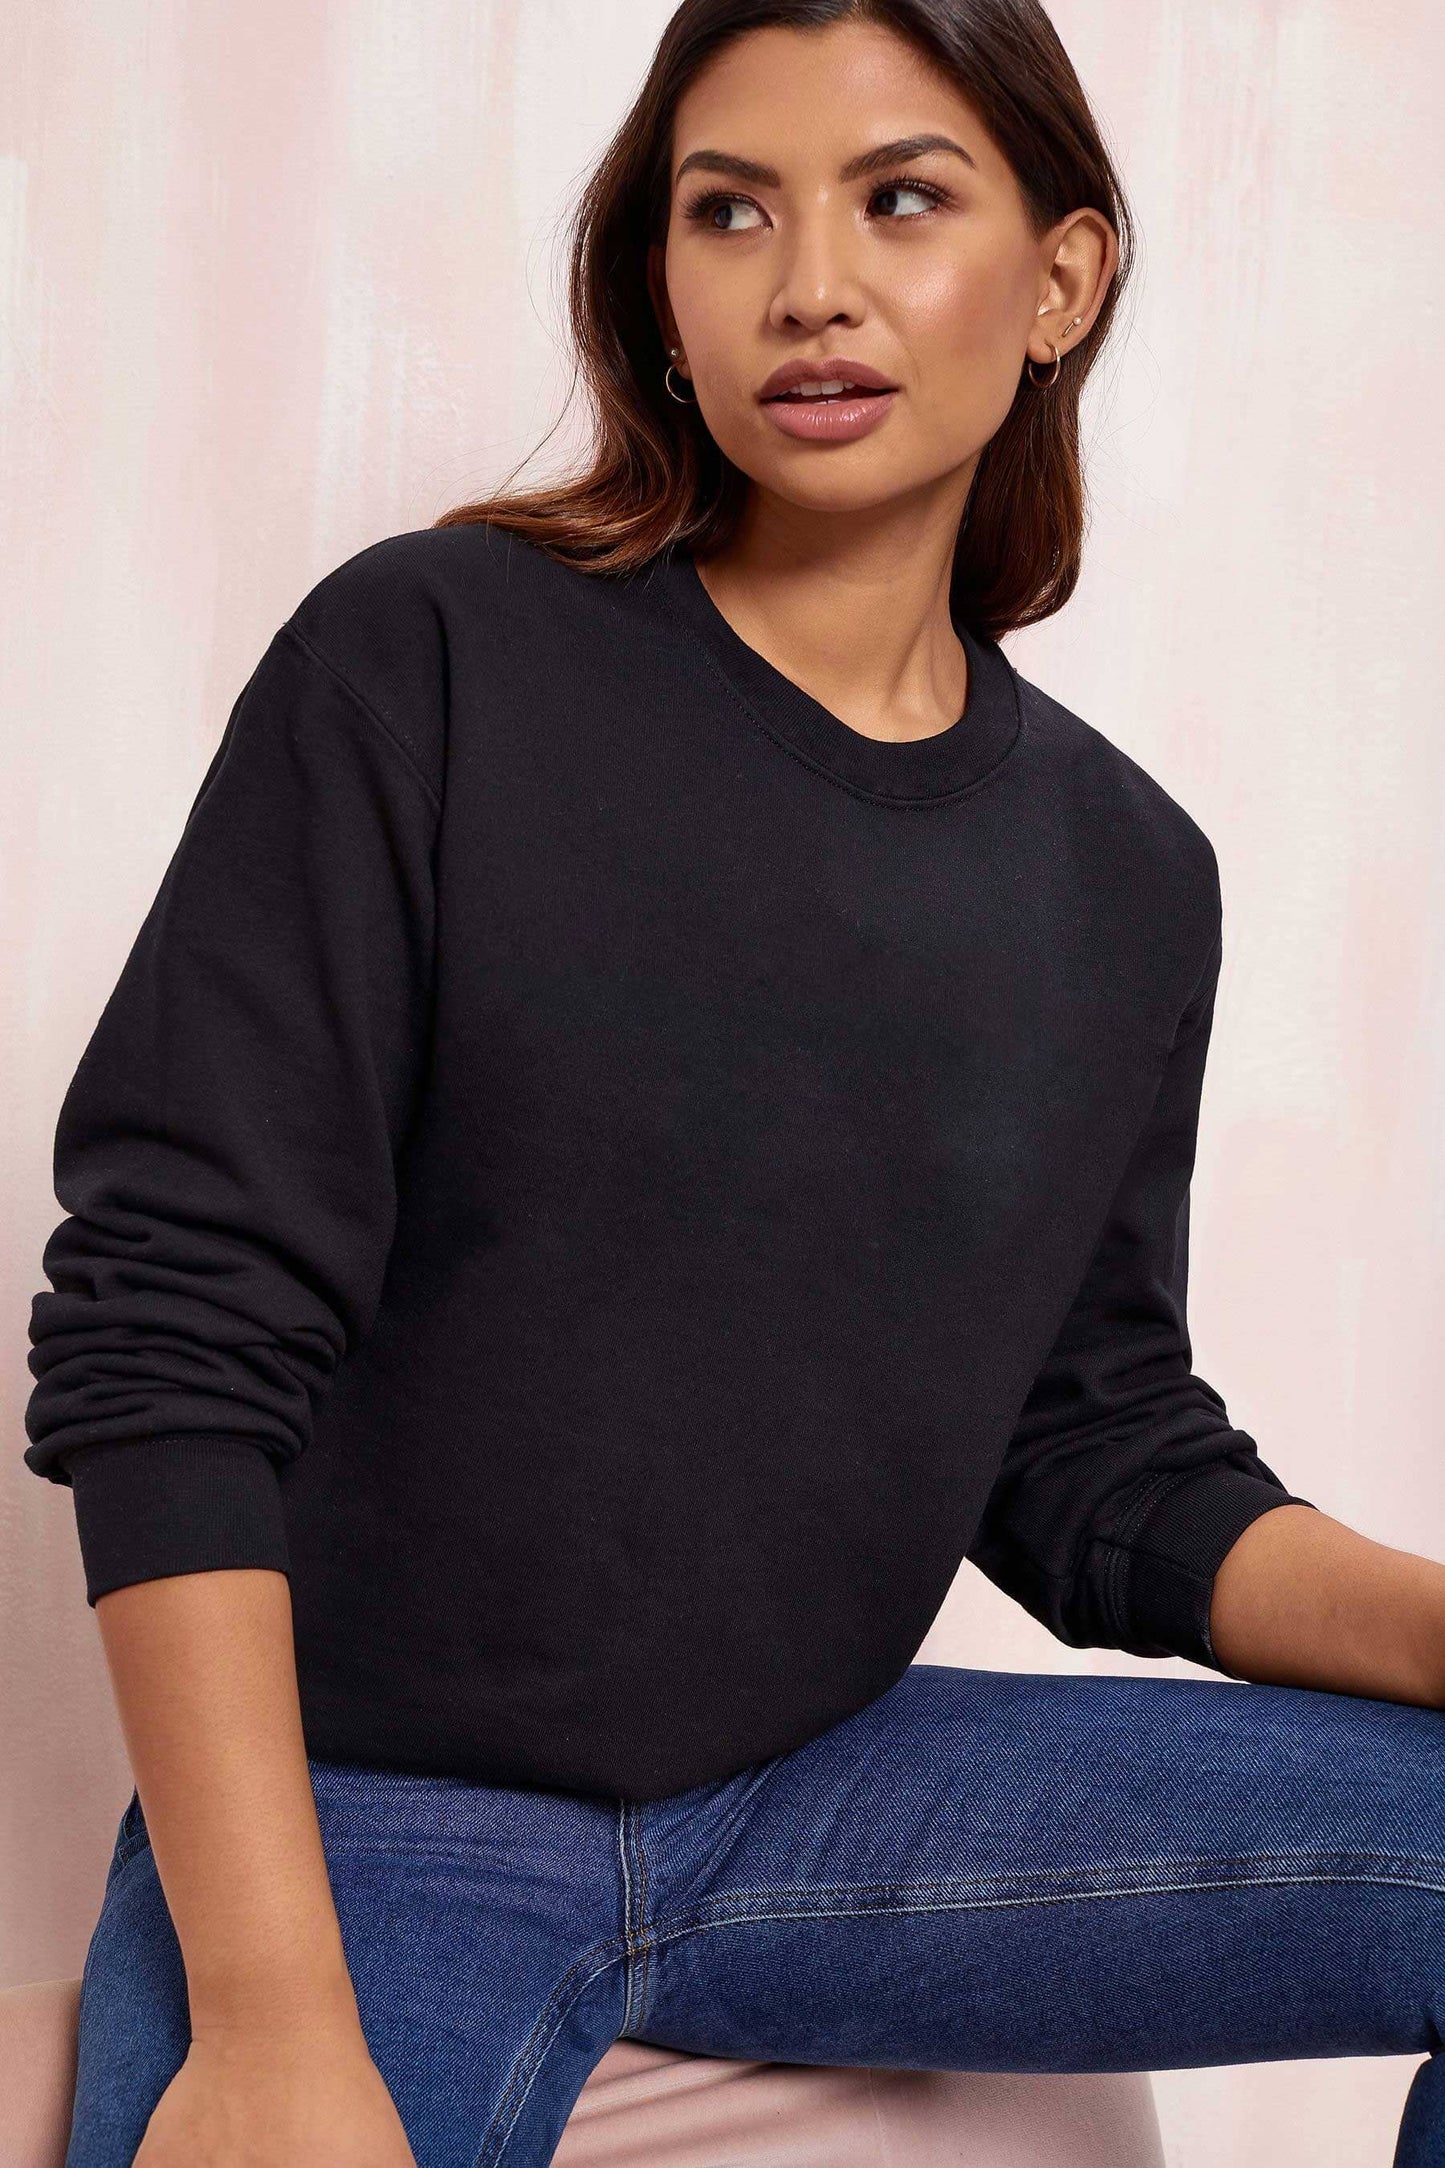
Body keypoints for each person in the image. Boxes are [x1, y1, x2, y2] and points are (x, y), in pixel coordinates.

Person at [24, 4, 1445, 2165]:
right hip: (378, 1812)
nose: (810, 285)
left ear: (1061, 278)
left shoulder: (1126, 871)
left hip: (822, 1788)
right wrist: (274, 2014)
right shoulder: (433, 658)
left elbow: (1095, 1451)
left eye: (902, 199)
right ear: (661, 292)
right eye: (730, 212)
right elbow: (168, 1337)